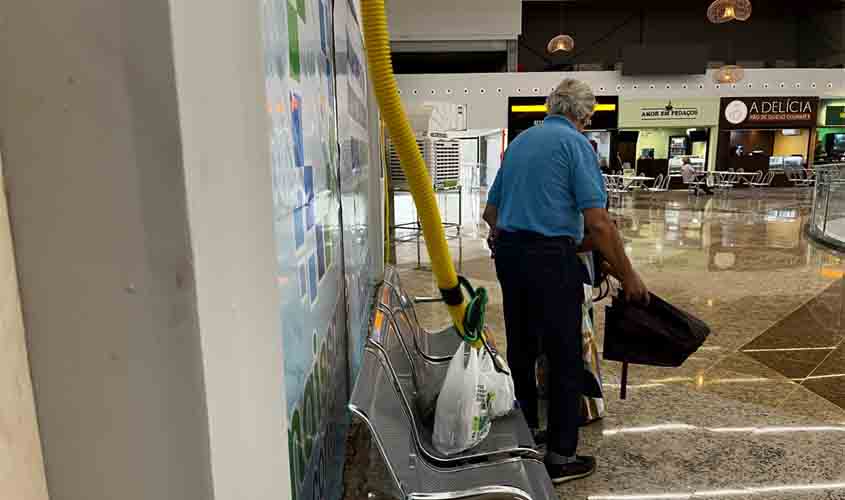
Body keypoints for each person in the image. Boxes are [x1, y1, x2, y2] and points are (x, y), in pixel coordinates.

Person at [483, 79, 649, 484]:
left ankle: (526, 439)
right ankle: (560, 456)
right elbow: (598, 222)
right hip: (550, 261)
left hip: (509, 256)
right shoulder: (577, 146)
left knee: (522, 349)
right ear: (583, 116)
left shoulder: (521, 143)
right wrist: (628, 274)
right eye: (589, 118)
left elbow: (491, 213)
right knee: (563, 356)